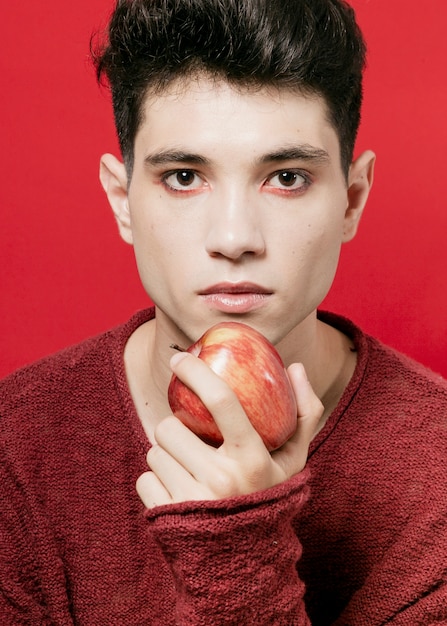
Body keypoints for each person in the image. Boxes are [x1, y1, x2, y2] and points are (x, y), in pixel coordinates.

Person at [1, 0, 446, 623]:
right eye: (184, 176)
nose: (235, 238)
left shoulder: (439, 473)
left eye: (287, 177)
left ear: (352, 199)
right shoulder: (15, 451)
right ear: (122, 199)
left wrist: (237, 549)